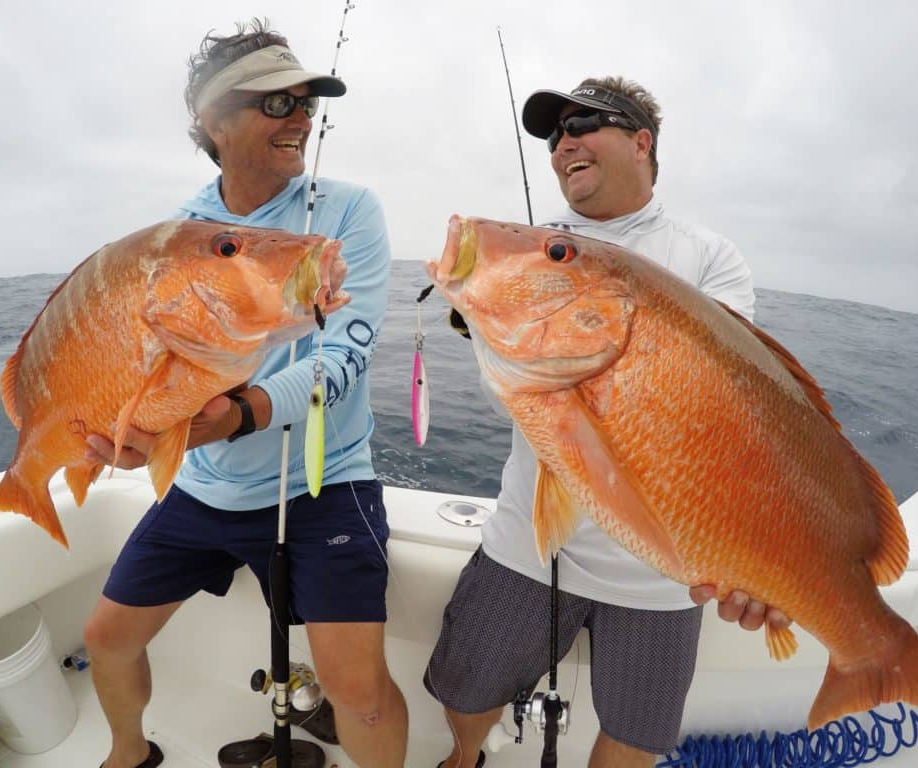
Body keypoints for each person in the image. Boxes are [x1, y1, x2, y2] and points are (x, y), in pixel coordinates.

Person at [425, 77, 792, 768]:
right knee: (465, 690)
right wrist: (478, 301)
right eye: (554, 134)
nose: (563, 143)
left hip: (664, 569)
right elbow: (504, 362)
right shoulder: (536, 246)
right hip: (527, 542)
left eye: (582, 124)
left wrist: (757, 544)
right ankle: (463, 758)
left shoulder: (709, 255)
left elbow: (730, 397)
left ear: (641, 140)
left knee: (638, 732)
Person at [80, 19, 407, 768]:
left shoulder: (350, 212)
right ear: (212, 122)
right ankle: (128, 753)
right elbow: (147, 361)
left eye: (306, 104)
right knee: (104, 637)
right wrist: (137, 429)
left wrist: (240, 415)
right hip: (202, 487)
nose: (300, 117)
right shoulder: (183, 232)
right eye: (276, 103)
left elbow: (347, 347)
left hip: (323, 479)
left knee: (357, 687)